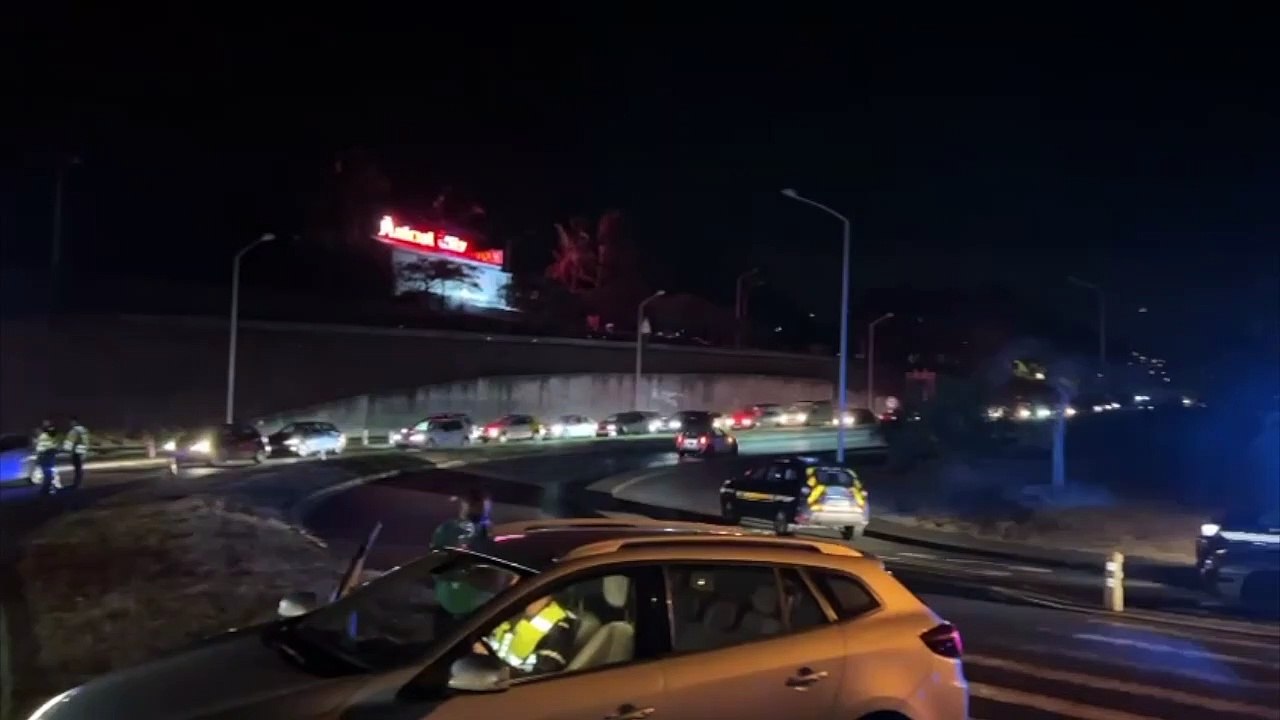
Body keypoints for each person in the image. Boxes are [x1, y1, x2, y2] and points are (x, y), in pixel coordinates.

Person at [479, 593, 578, 675]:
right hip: (485, 674)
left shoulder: (560, 624)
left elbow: (543, 677)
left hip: (516, 687)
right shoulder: (511, 612)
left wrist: (490, 662)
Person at [34, 421, 62, 496]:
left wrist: (38, 459)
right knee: (49, 474)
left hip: (45, 457)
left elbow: (40, 448)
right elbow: (56, 447)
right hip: (50, 457)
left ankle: (46, 490)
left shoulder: (43, 436)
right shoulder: (54, 435)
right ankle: (51, 488)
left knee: (47, 475)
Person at [62, 416, 90, 489]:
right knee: (79, 468)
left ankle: (76, 484)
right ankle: (79, 483)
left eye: (71, 422)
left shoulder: (74, 431)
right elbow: (87, 441)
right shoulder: (84, 430)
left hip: (76, 452)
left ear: (74, 422)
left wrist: (65, 449)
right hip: (82, 452)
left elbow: (70, 442)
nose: (70, 424)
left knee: (77, 469)